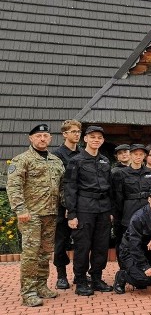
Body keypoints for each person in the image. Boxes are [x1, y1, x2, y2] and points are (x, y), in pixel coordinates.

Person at [6, 123, 65, 307]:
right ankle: (28, 292)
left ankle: (41, 286)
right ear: (30, 138)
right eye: (38, 136)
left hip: (51, 213)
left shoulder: (56, 161)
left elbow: (62, 187)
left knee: (45, 253)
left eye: (46, 136)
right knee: (31, 254)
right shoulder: (21, 160)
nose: (42, 139)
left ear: (50, 139)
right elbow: (13, 186)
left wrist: (66, 206)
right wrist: (20, 209)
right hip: (31, 215)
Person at [63, 125, 114, 296]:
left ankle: (97, 277)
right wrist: (71, 213)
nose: (96, 140)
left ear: (103, 140)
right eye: (92, 137)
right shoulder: (75, 161)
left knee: (101, 246)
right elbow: (70, 188)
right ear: (85, 139)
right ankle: (81, 280)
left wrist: (111, 210)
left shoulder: (105, 161)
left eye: (99, 137)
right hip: (84, 207)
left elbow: (110, 188)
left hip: (103, 208)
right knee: (82, 246)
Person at [112, 144, 151, 266]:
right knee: (125, 241)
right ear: (130, 155)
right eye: (135, 154)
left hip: (147, 212)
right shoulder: (121, 173)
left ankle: (150, 271)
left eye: (141, 154)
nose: (138, 157)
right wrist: (118, 216)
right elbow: (118, 197)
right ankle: (124, 270)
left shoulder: (150, 172)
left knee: (147, 240)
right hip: (128, 211)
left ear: (144, 156)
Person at [51, 119, 83, 290]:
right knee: (61, 242)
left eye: (78, 131)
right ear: (64, 134)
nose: (77, 134)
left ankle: (79, 275)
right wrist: (67, 207)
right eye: (73, 131)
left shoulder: (83, 153)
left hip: (82, 205)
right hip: (63, 207)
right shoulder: (56, 156)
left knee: (82, 242)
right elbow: (57, 184)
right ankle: (61, 276)